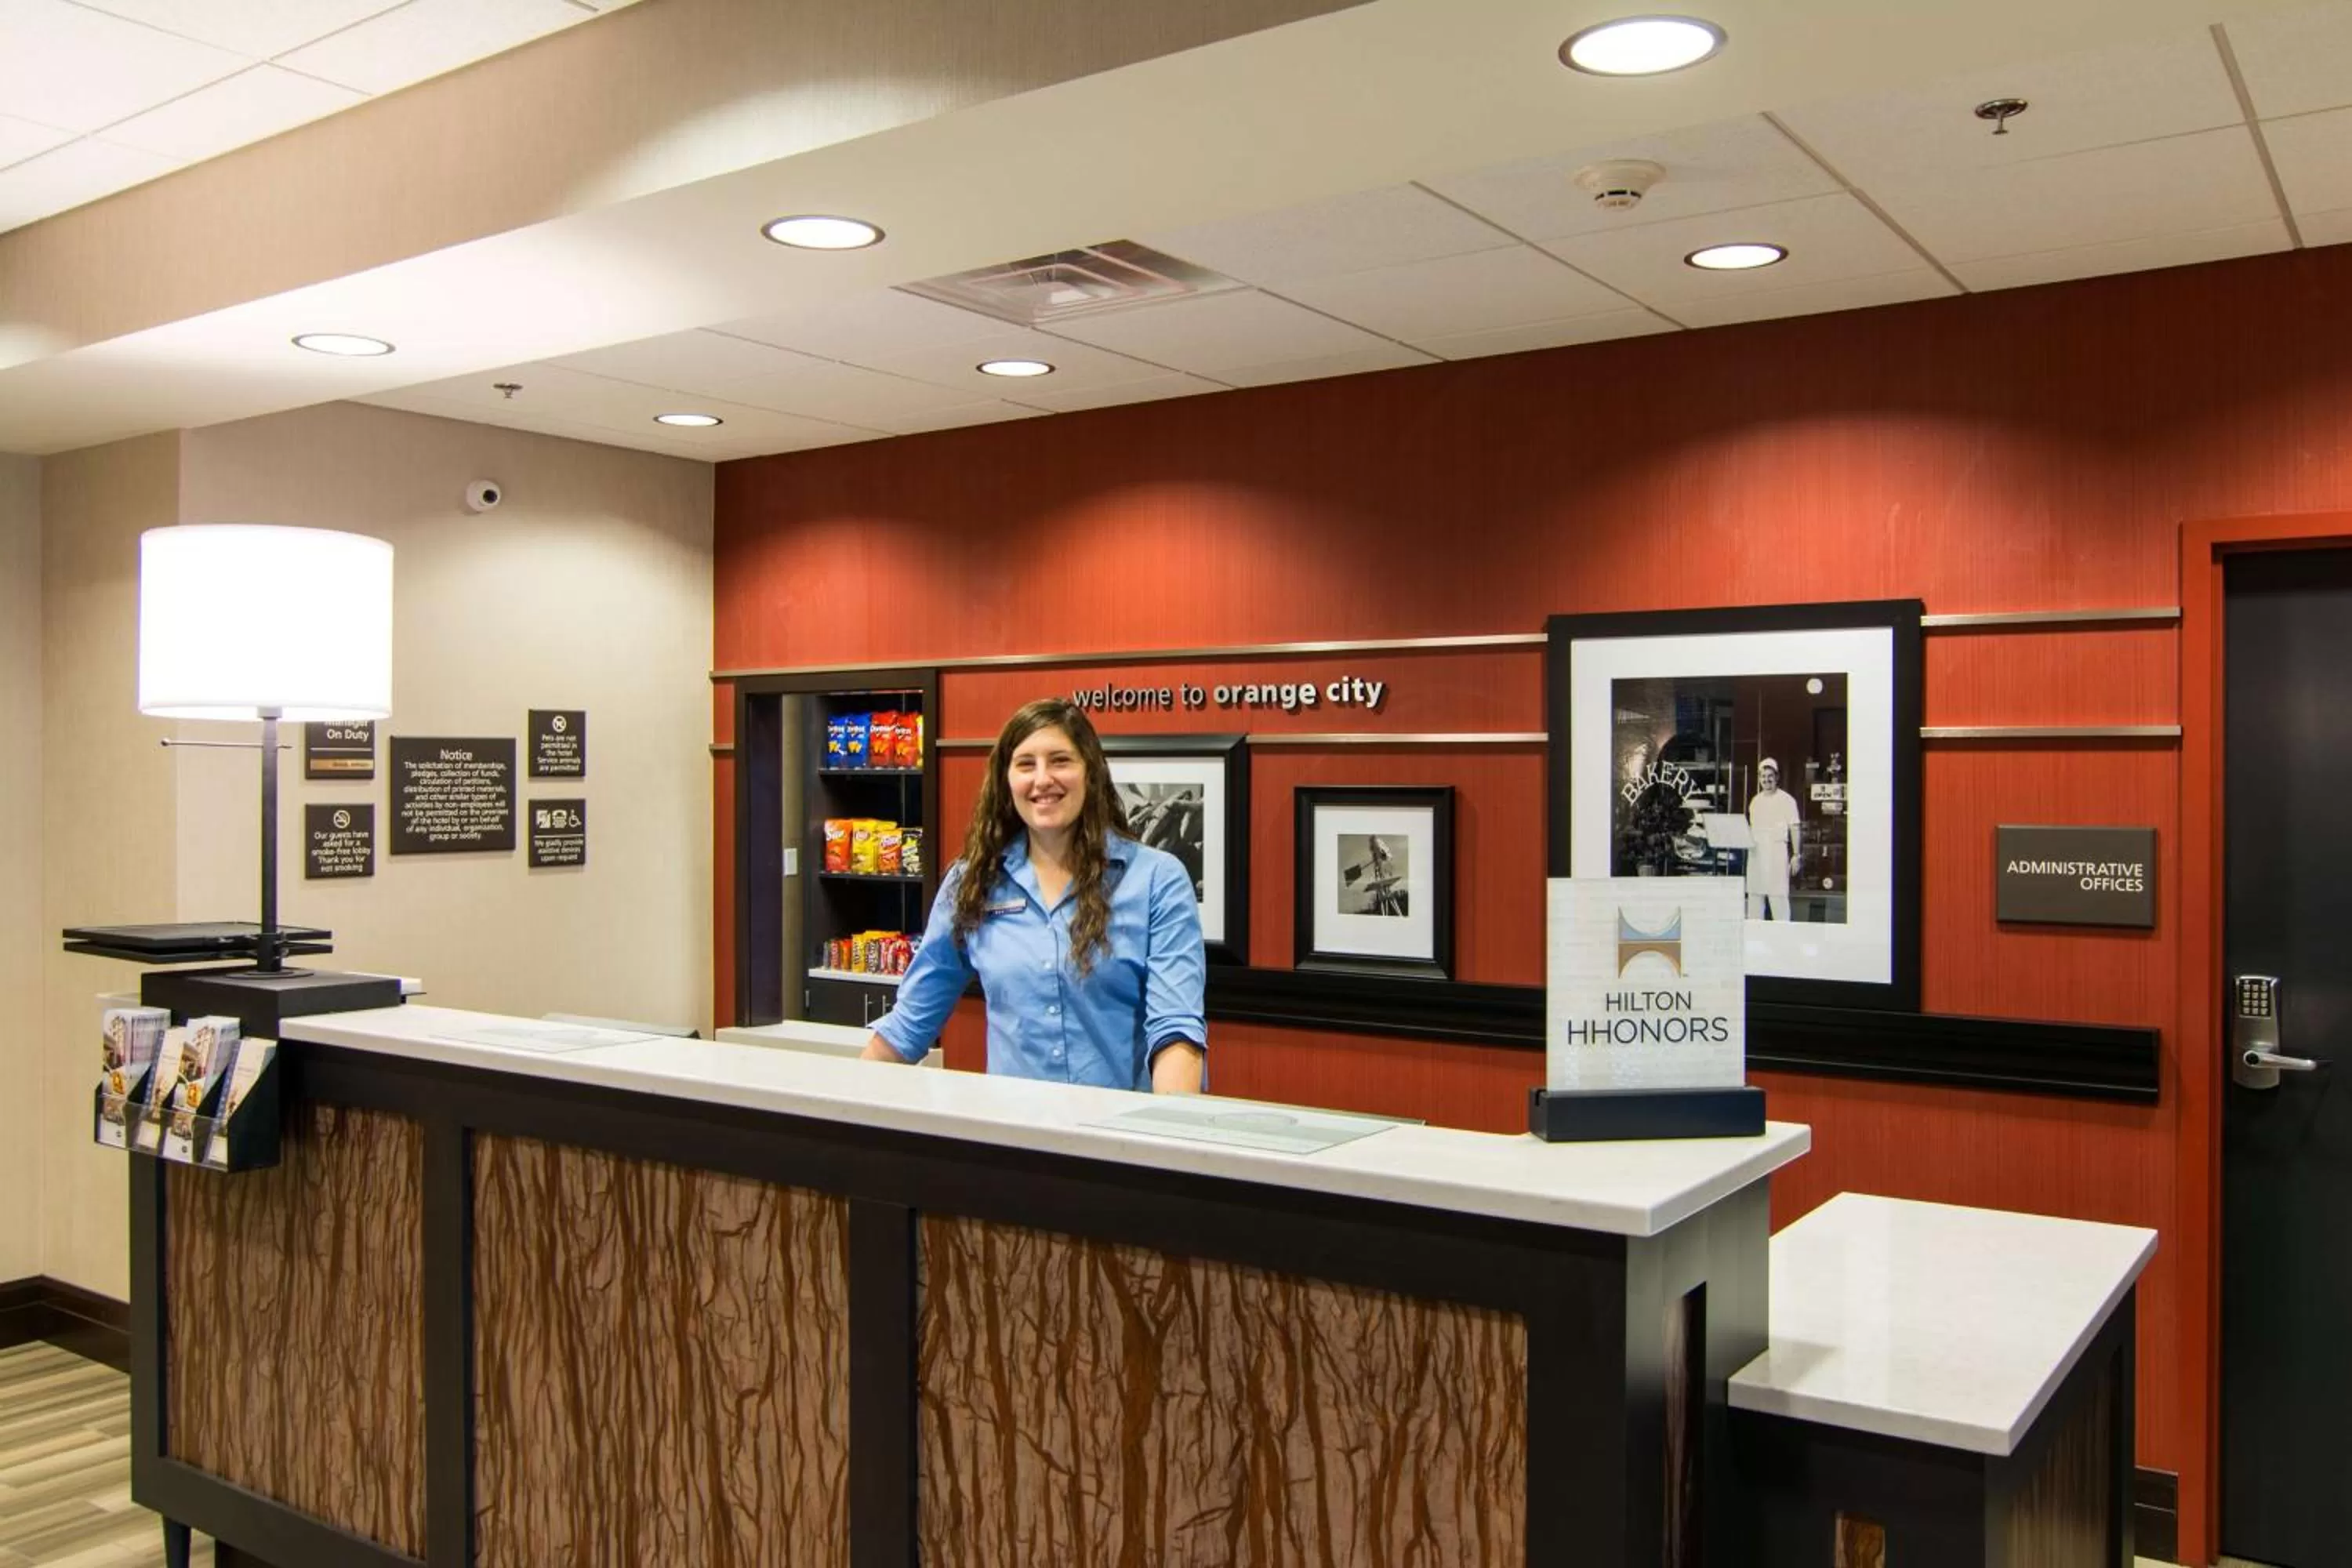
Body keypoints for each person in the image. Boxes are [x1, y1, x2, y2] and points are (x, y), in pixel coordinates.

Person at [862, 698, 1207, 1093]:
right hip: (1016, 1139)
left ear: (1090, 773)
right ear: (1007, 781)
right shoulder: (972, 882)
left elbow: (1175, 1031)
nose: (1042, 779)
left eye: (1060, 760)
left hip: (1120, 1137)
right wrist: (842, 1109)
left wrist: (1165, 1139)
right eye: (1026, 764)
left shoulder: (1156, 880)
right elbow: (911, 1022)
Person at [1745, 756, 1802, 921]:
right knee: (1755, 898)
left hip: (1777, 853)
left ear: (1777, 777)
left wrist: (1796, 855)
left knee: (1778, 900)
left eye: (1770, 776)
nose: (1766, 780)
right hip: (1756, 854)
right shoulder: (1755, 802)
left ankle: (1783, 940)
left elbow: (1795, 827)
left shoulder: (1787, 800)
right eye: (1763, 776)